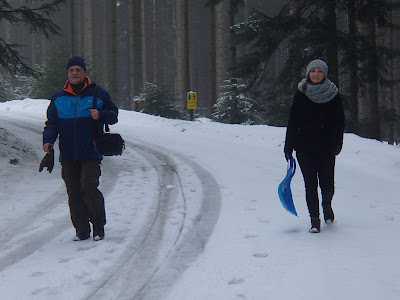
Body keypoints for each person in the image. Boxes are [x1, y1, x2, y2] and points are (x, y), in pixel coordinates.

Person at [42, 56, 118, 241]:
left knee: (89, 186)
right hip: (67, 153)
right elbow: (51, 123)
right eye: (71, 70)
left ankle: (98, 226)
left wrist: (101, 114)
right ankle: (82, 230)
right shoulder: (58, 98)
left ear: (84, 72)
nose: (75, 73)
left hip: (91, 151)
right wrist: (48, 141)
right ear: (68, 74)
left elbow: (114, 115)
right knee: (74, 192)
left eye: (78, 70)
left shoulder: (98, 94)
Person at [284, 59, 345, 233]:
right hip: (304, 147)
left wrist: (338, 142)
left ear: (324, 74)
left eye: (319, 71)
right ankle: (314, 219)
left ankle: (326, 204)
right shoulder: (301, 93)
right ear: (308, 73)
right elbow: (293, 121)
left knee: (327, 185)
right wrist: (289, 146)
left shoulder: (333, 94)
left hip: (326, 147)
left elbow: (340, 122)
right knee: (310, 185)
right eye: (313, 71)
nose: (316, 74)